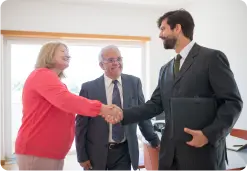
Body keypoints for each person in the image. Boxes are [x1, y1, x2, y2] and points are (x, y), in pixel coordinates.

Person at [105, 9, 243, 171]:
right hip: (170, 155)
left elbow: (233, 102)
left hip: (202, 154)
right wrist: (122, 114)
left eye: (163, 29)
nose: (160, 35)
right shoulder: (165, 69)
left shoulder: (211, 58)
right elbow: (155, 105)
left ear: (177, 28)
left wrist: (208, 135)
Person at [15, 42, 120, 171]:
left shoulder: (54, 81)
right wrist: (102, 109)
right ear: (48, 53)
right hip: (38, 150)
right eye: (62, 51)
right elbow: (67, 101)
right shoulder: (42, 75)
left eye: (68, 52)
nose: (67, 54)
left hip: (50, 152)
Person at [75, 45, 160, 171]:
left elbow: (142, 115)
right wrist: (82, 156)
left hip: (124, 152)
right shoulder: (89, 88)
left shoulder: (134, 83)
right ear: (101, 65)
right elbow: (81, 126)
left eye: (119, 59)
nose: (116, 63)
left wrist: (153, 140)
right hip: (96, 152)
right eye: (111, 60)